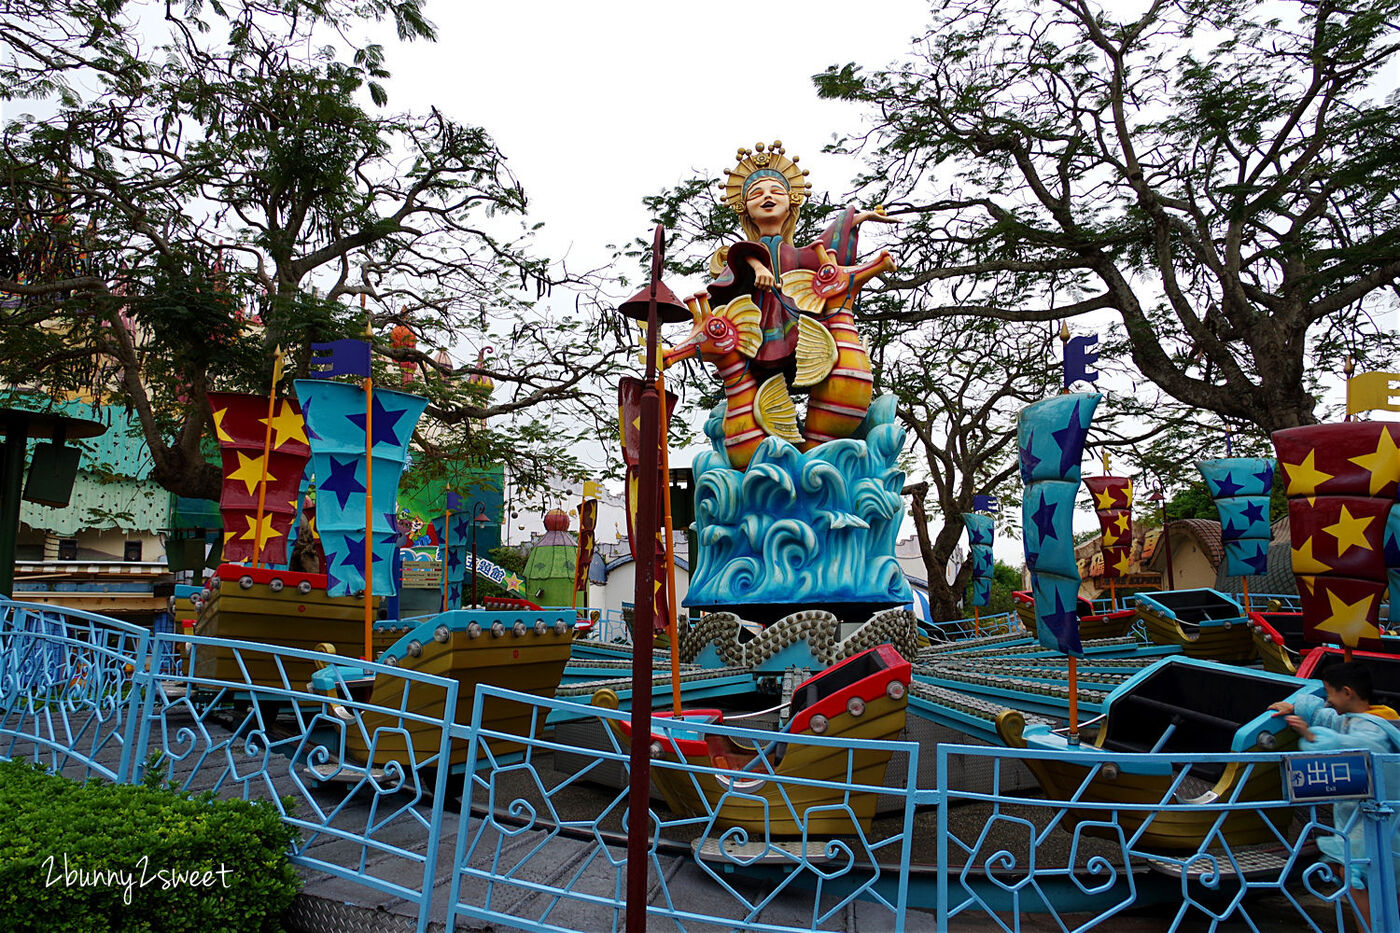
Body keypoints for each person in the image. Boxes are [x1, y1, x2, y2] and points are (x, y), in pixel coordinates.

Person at [707, 140, 896, 386]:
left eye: (776, 191)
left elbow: (821, 252)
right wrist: (758, 266)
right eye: (756, 194)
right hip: (757, 325)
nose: (767, 197)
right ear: (747, 210)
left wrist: (858, 218)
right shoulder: (744, 253)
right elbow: (740, 256)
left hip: (796, 320)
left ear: (790, 202)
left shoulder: (794, 254)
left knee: (826, 346)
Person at [1270, 661, 1400, 926]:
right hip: (1369, 819)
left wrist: (1312, 737)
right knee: (1374, 878)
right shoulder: (1364, 717)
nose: (1328, 701)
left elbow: (1359, 747)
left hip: (1382, 819)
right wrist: (1298, 708)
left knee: (1358, 874)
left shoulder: (1373, 728)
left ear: (1348, 692)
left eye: (1330, 693)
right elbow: (1330, 717)